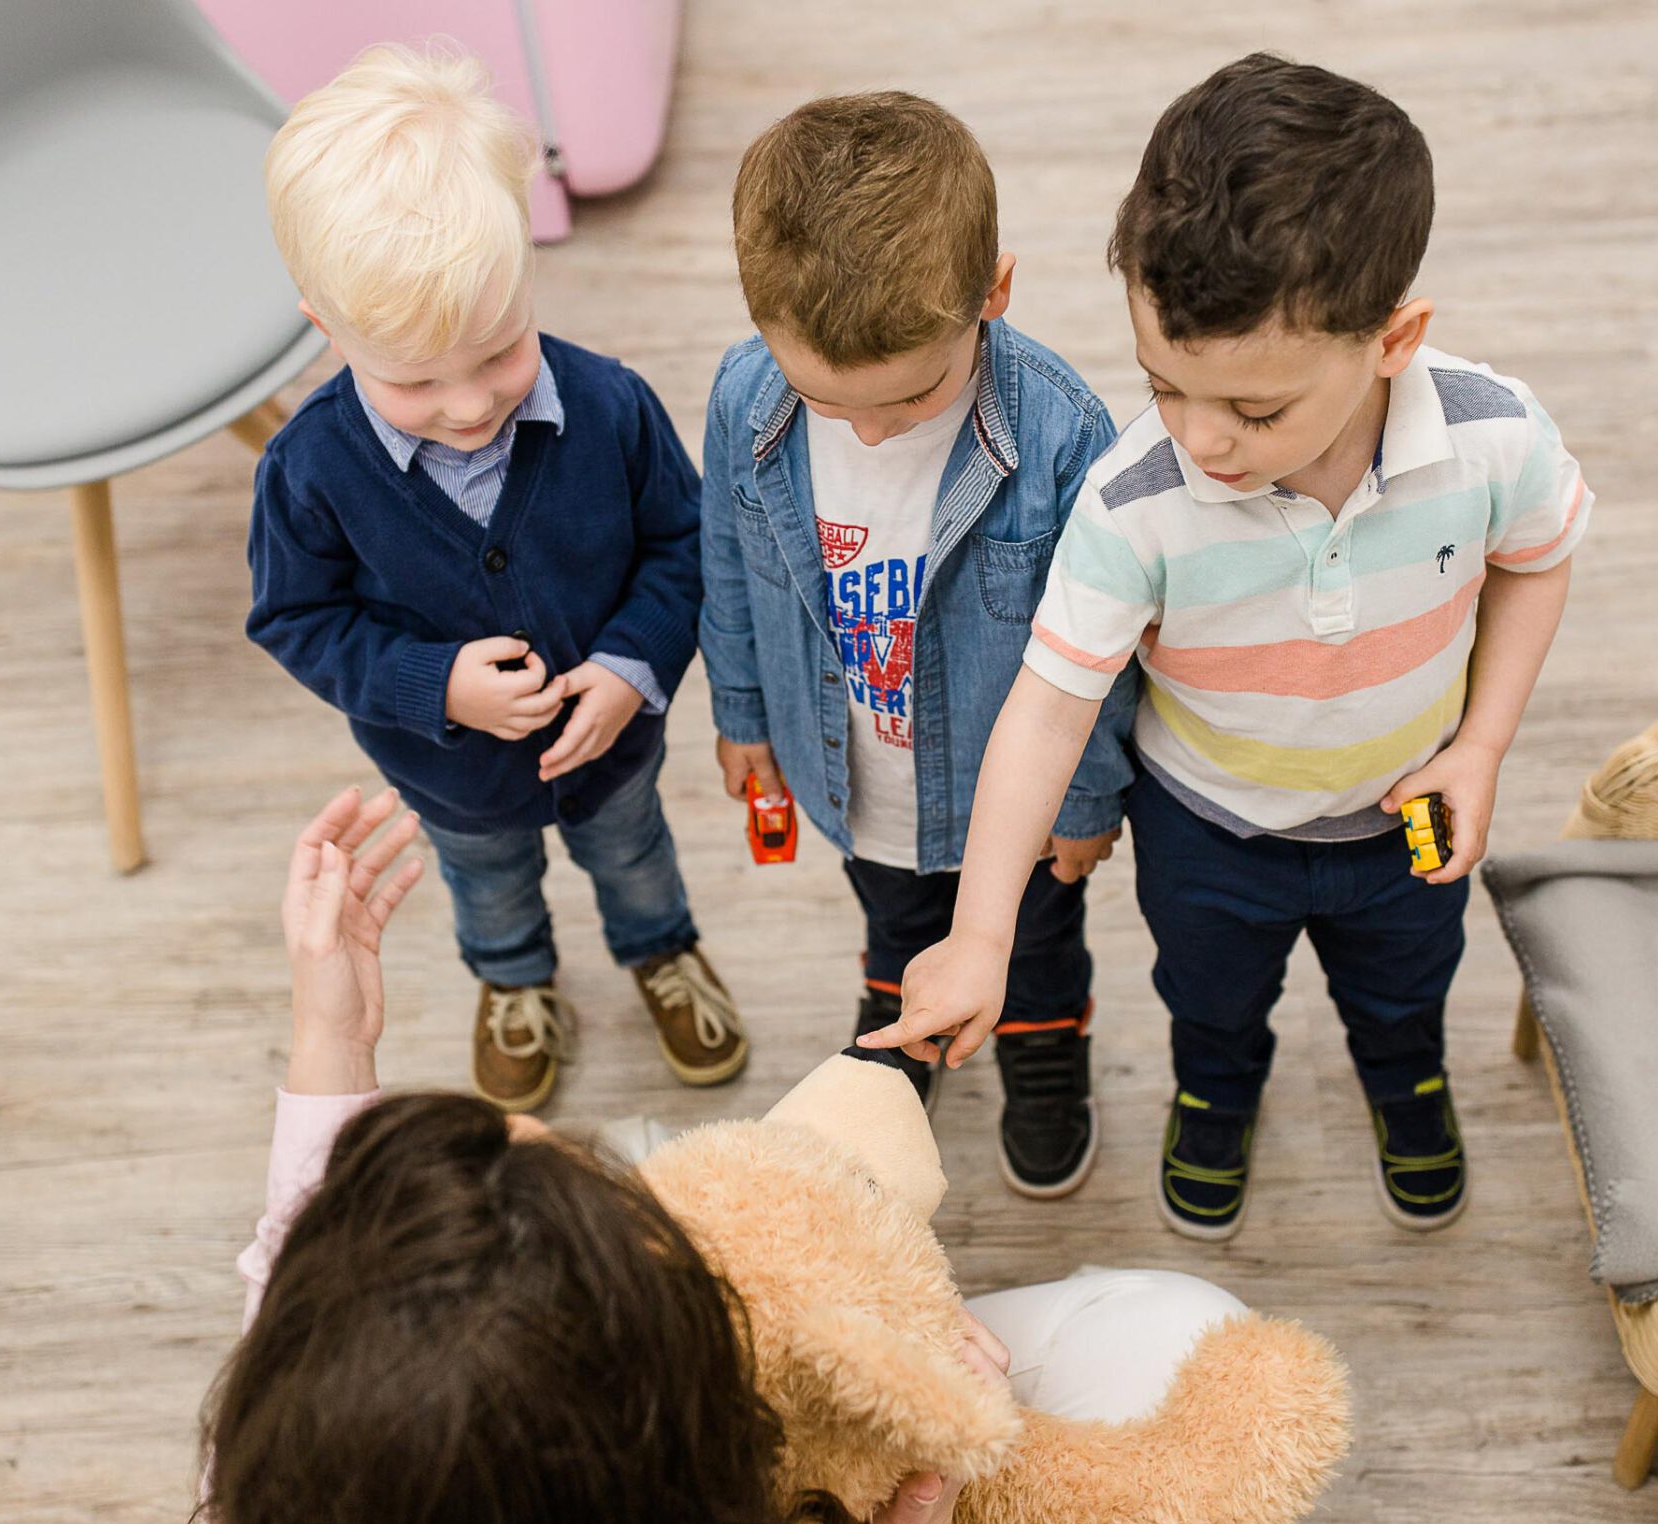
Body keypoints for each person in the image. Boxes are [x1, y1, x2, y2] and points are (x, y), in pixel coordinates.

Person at [141, 786, 1249, 1524]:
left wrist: (332, 1035)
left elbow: (311, 1291)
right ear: (676, 1446)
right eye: (643, 1237)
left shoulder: (282, 1501)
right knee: (1183, 1336)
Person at [864, 55, 1590, 1241]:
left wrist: (1485, 744)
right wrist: (982, 930)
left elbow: (1538, 556)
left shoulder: (1492, 439)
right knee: (1209, 1000)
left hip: (1403, 817)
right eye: (1164, 384)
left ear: (1394, 338)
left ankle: (1405, 1080)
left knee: (1405, 993)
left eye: (1255, 411)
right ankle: (1213, 1093)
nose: (1201, 439)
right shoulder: (1131, 501)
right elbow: (1048, 708)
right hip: (1204, 830)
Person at [246, 45, 744, 1115]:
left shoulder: (610, 408)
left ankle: (661, 951)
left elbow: (685, 539)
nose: (470, 405)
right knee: (488, 885)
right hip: (456, 779)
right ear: (326, 329)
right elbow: (297, 617)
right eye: (416, 378)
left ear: (527, 272)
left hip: (613, 750)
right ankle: (515, 983)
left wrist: (630, 665)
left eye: (499, 349)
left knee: (638, 857)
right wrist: (435, 685)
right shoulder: (309, 470)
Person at [696, 93, 1137, 1198]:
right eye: (823, 397)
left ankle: (1043, 1046)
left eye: (909, 395)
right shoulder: (746, 401)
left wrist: (1083, 802)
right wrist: (742, 711)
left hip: (1013, 794)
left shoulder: (1059, 432)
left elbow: (1104, 642)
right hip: (851, 768)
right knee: (890, 913)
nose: (873, 431)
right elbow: (728, 563)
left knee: (1036, 939)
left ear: (993, 291)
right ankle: (901, 1016)